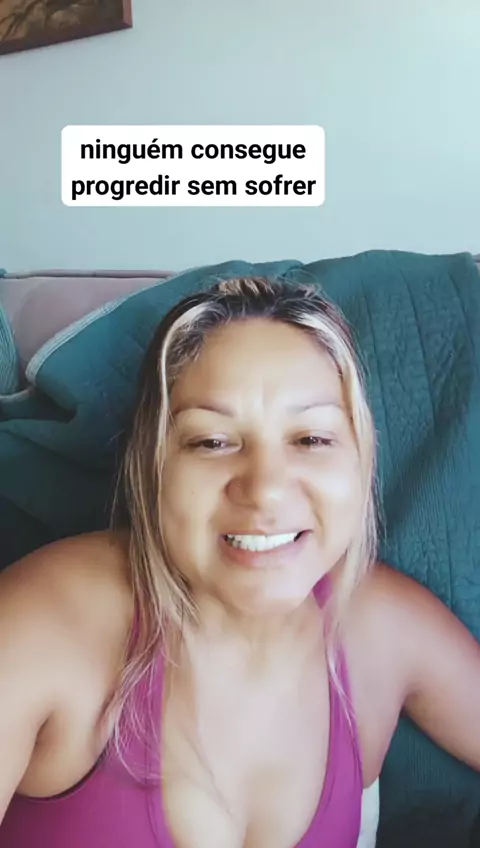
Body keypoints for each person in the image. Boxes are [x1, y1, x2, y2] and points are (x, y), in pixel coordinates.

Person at [0, 276, 479, 848]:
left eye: (311, 439)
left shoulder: (383, 627)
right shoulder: (44, 623)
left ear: (361, 461)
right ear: (152, 466)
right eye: (212, 441)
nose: (265, 489)